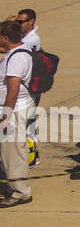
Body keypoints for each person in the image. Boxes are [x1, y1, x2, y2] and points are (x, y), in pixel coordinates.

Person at [0, 22, 34, 206]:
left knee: (14, 152)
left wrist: (5, 114)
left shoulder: (16, 58)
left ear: (5, 39)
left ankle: (21, 192)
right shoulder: (16, 52)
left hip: (13, 111)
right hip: (14, 109)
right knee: (8, 152)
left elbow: (13, 88)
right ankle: (14, 186)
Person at [7, 9, 41, 167]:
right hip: (29, 89)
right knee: (29, 123)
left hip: (28, 91)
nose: (18, 24)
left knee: (26, 126)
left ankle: (31, 157)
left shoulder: (32, 39)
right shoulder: (25, 36)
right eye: (17, 22)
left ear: (31, 22)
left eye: (21, 22)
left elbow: (8, 45)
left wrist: (8, 26)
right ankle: (33, 156)